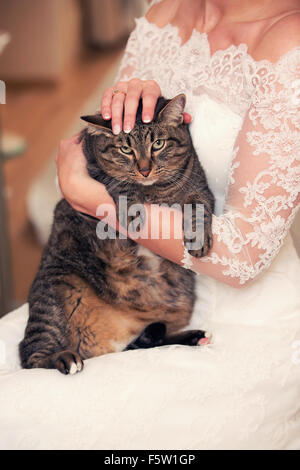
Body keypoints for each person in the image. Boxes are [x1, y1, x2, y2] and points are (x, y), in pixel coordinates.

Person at [56, 0, 300, 448]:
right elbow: (103, 149)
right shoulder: (163, 13)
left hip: (238, 326)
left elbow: (242, 256)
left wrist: (98, 202)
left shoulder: (291, 41)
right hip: (126, 289)